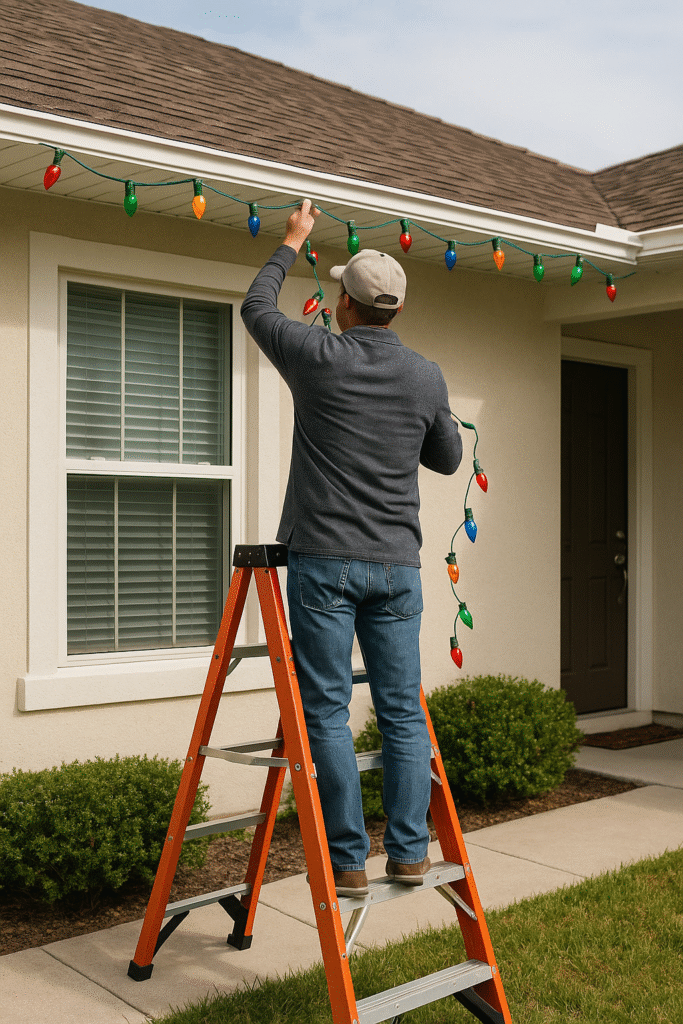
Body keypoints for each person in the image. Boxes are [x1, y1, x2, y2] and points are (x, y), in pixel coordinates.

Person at [241, 200, 462, 897]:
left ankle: (344, 863)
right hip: (398, 568)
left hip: (325, 563)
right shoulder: (425, 374)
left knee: (327, 712)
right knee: (400, 712)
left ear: (346, 303)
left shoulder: (316, 355)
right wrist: (428, 413)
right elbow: (448, 458)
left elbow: (255, 307)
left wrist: (291, 242)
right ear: (393, 311)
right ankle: (406, 853)